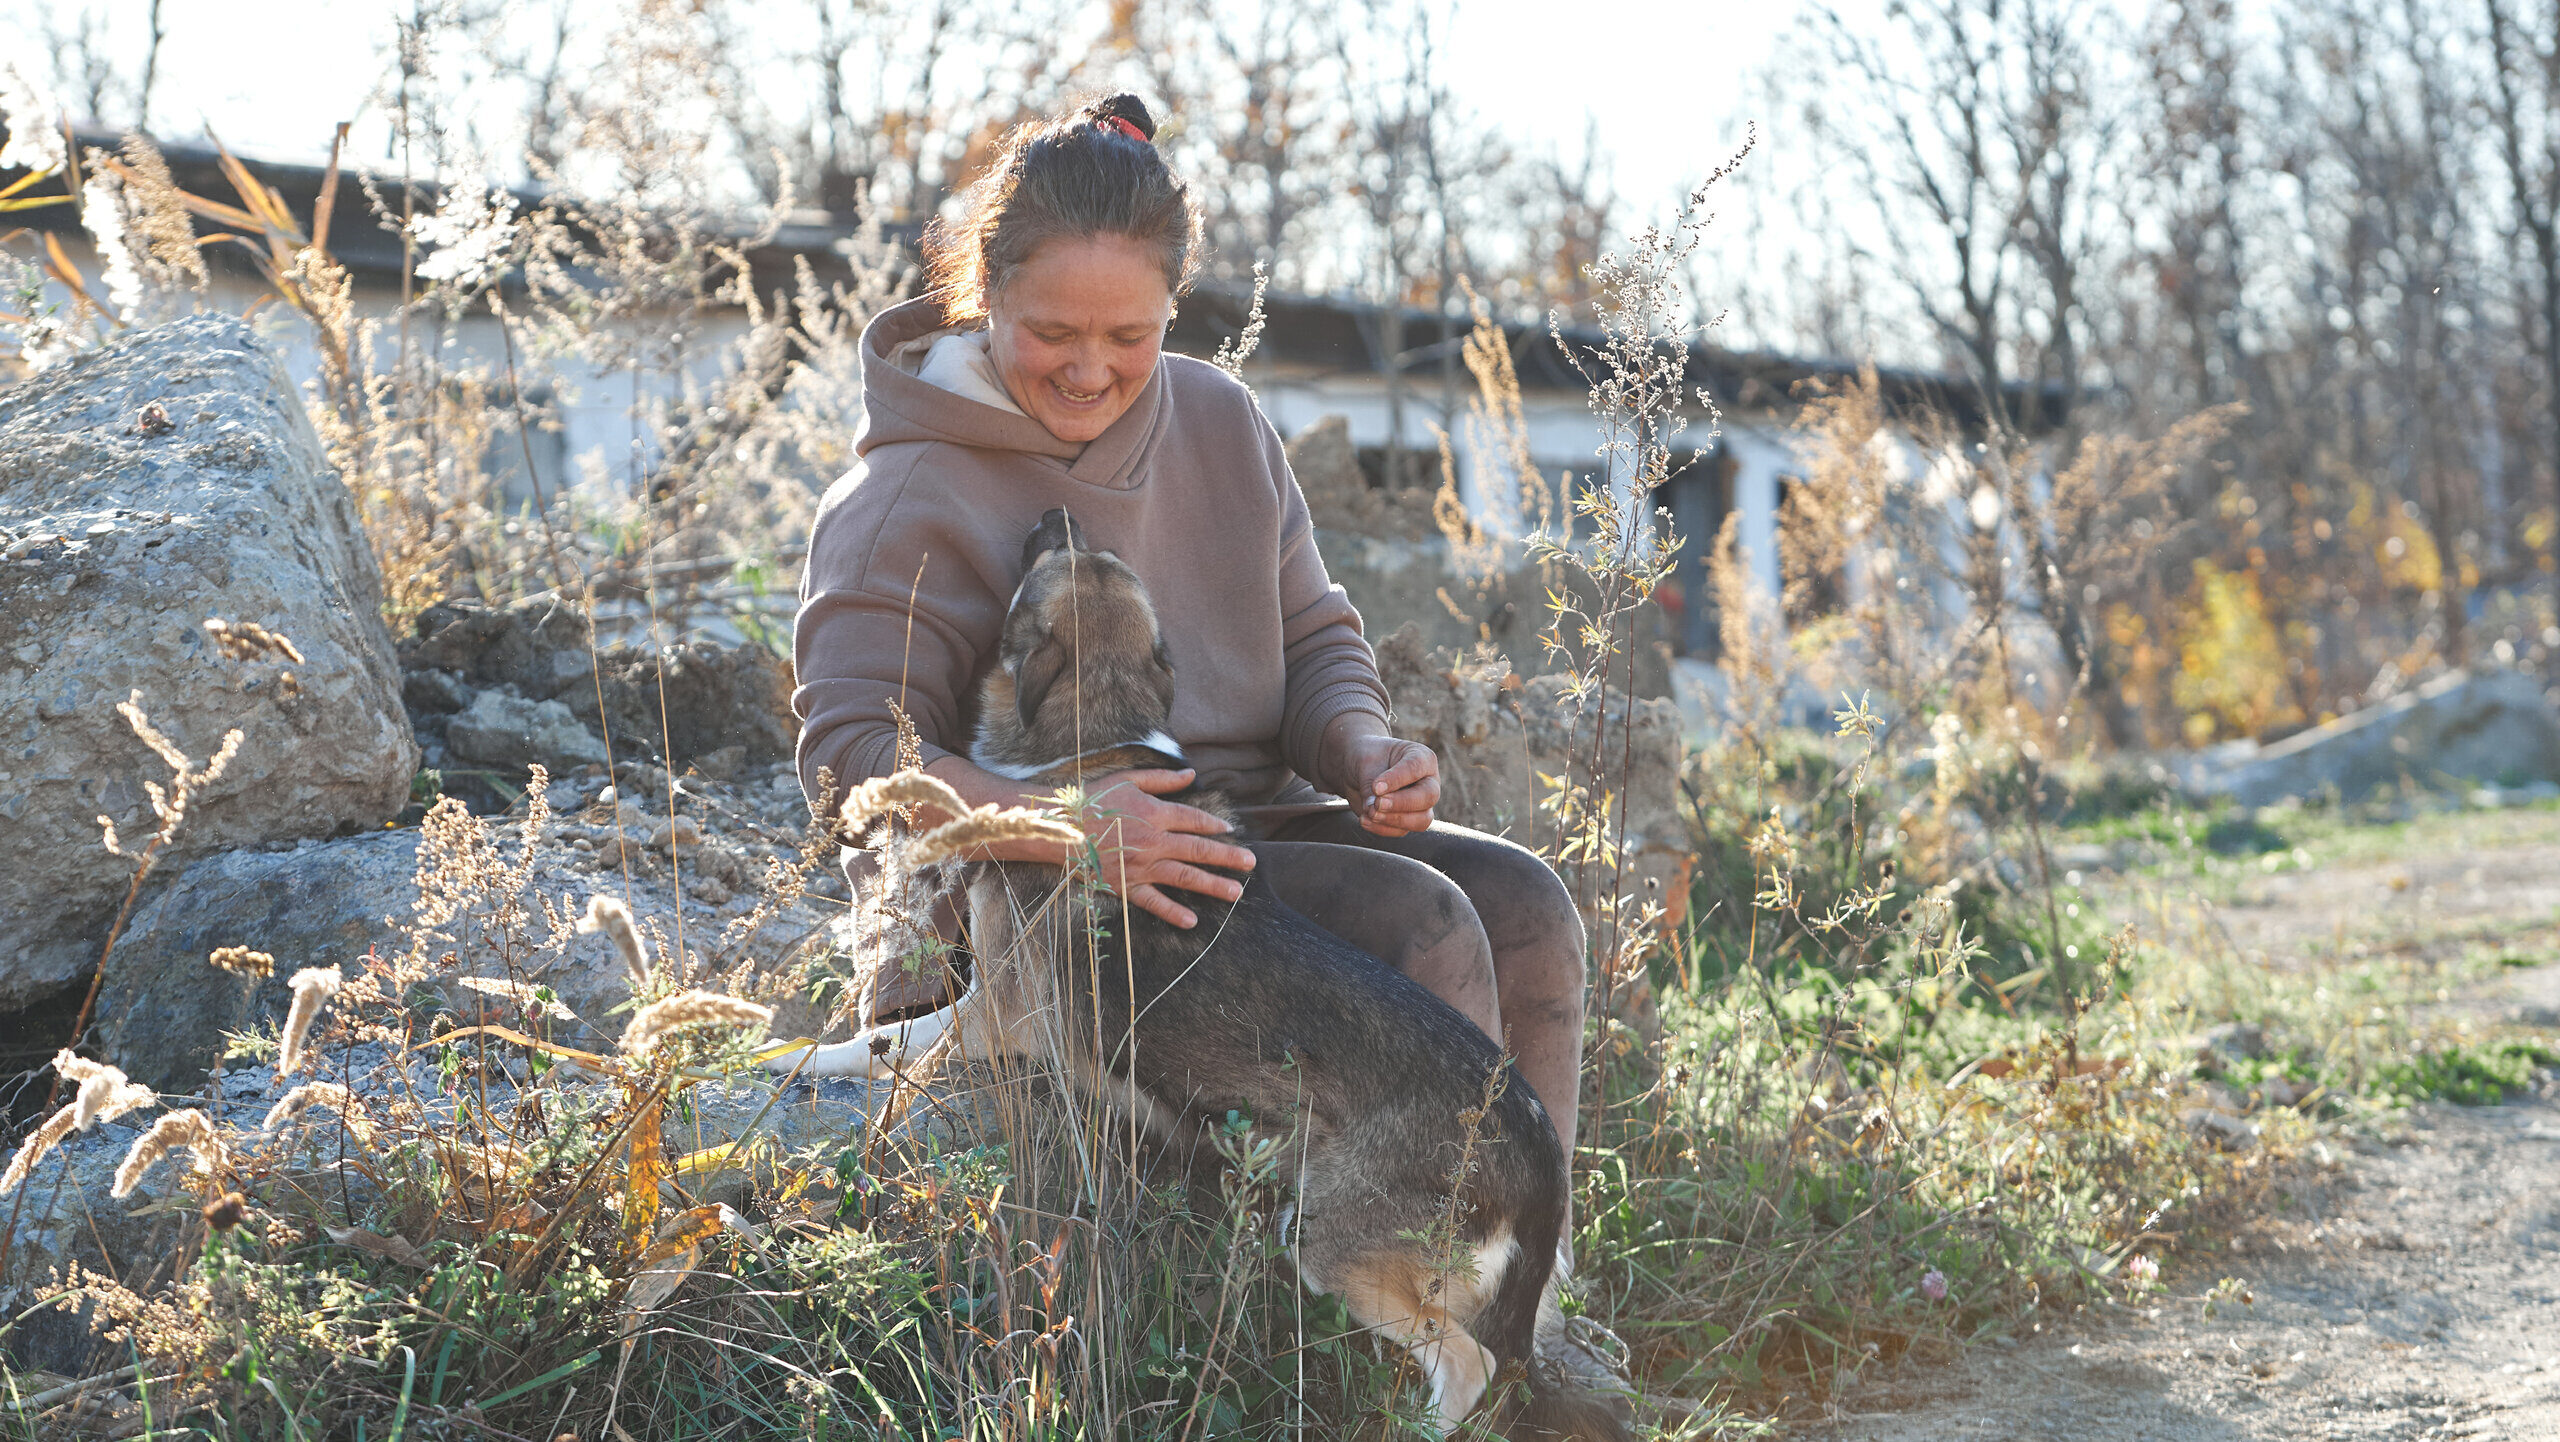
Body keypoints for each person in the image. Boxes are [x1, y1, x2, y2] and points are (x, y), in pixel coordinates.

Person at [792, 91, 1629, 1406]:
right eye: (1050, 332)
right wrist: (1065, 821)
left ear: (1173, 311)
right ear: (983, 295)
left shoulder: (1222, 423)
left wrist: (1362, 747)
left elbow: (1317, 639)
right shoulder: (903, 487)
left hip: (1236, 824)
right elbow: (851, 756)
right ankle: (1399, 1361)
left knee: (1527, 906)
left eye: (1128, 334)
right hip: (1030, 878)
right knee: (1429, 925)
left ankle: (1530, 1307)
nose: (1088, 368)